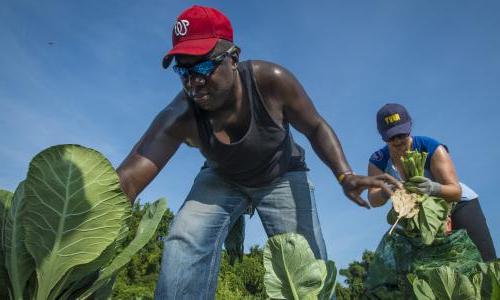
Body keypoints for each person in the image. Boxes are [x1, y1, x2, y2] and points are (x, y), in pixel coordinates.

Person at [117, 5, 400, 299]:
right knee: (183, 238)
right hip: (222, 176)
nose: (194, 81)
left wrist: (345, 175)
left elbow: (315, 126)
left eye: (203, 66)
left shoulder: (272, 82)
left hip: (282, 173)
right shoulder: (179, 116)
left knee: (306, 267)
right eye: (183, 71)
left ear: (234, 58)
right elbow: (128, 181)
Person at [367, 103, 497, 262]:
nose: (398, 141)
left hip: (459, 205)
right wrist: (387, 189)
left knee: (485, 262)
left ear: (410, 127)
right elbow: (373, 199)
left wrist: (432, 188)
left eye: (402, 134)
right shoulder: (378, 161)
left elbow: (456, 192)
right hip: (422, 216)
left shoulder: (430, 147)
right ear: (383, 136)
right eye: (392, 137)